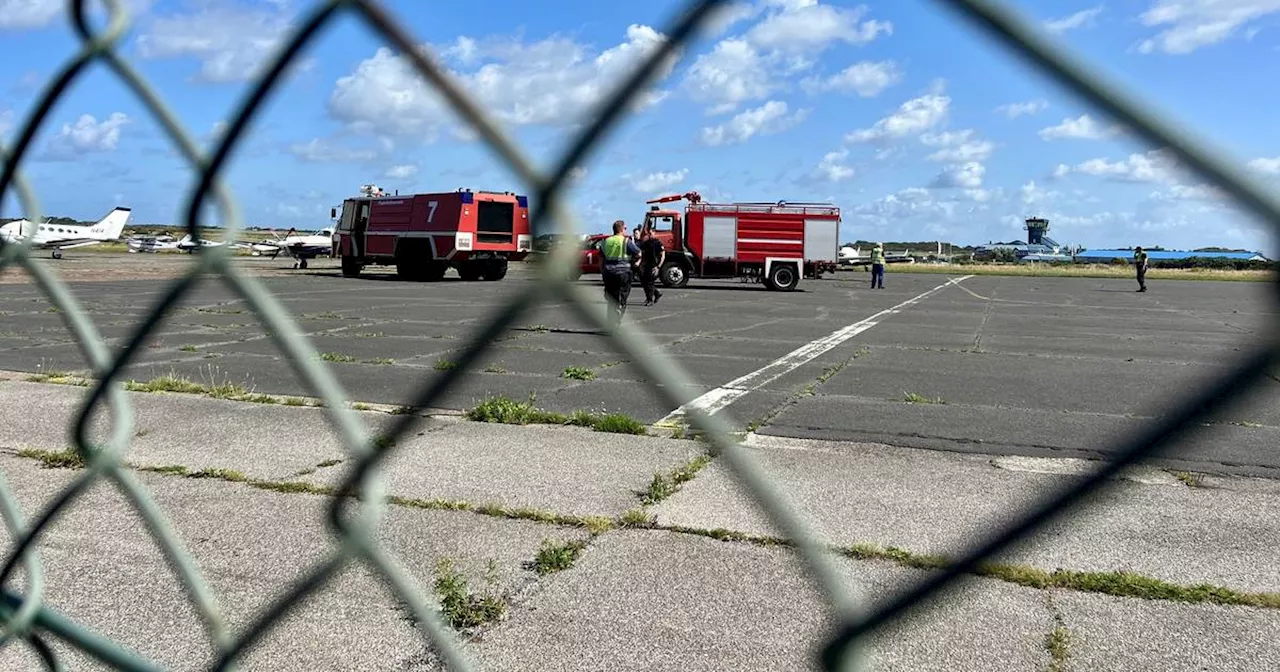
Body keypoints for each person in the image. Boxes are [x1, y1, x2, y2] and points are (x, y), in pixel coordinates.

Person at [602, 220, 640, 326]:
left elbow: (601, 259)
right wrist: (636, 261)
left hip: (609, 273)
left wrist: (603, 271)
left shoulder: (606, 241)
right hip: (623, 273)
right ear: (622, 229)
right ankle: (617, 317)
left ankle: (611, 323)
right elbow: (638, 252)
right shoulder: (625, 241)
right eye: (625, 228)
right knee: (622, 297)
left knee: (611, 299)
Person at [639, 228, 665, 305]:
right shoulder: (646, 243)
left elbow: (663, 255)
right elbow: (641, 252)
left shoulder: (658, 243)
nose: (649, 235)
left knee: (650, 283)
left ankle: (650, 300)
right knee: (644, 283)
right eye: (648, 233)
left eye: (651, 233)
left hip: (653, 265)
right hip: (645, 265)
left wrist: (658, 266)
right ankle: (656, 293)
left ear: (654, 233)